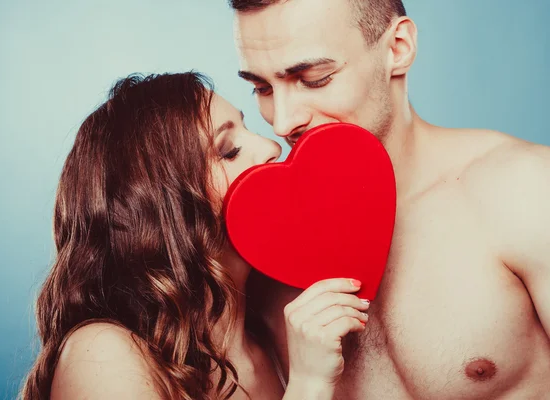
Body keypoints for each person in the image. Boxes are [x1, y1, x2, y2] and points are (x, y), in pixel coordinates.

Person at [229, 0, 550, 399]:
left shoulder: (526, 190)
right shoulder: (256, 255)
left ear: (397, 48)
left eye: (314, 78)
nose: (283, 120)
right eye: (261, 87)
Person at [19, 72, 371, 400]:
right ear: (164, 207)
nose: (271, 147)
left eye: (248, 130)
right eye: (228, 150)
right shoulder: (100, 353)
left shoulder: (278, 340)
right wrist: (309, 386)